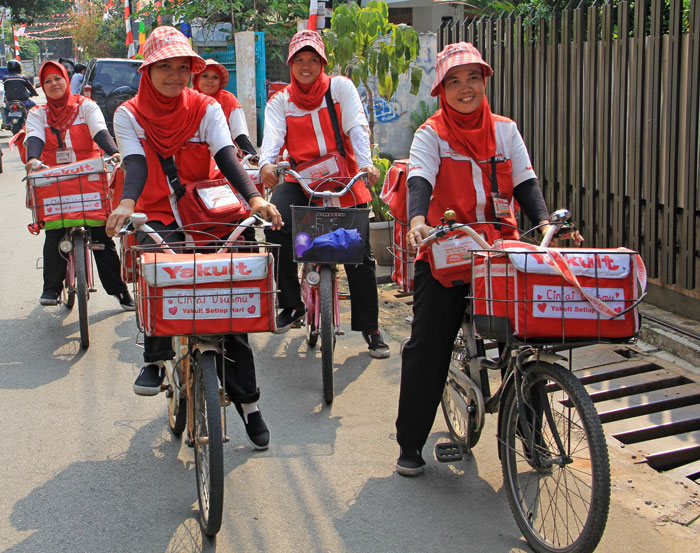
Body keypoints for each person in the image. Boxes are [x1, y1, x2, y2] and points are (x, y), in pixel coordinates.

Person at [394, 42, 582, 476]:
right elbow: (419, 179)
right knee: (429, 345)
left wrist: (548, 225)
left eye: (473, 78)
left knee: (529, 339)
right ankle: (410, 443)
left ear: (485, 81)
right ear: (442, 89)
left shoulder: (505, 130)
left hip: (501, 251)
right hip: (447, 248)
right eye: (455, 81)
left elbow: (526, 185)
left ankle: (532, 438)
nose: (465, 88)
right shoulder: (431, 133)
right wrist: (420, 221)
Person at [105, 26, 281, 449]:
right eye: (164, 67)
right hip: (158, 209)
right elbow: (135, 162)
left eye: (182, 67)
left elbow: (225, 155)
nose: (174, 75)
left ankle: (250, 405)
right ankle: (157, 355)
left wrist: (255, 199)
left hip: (207, 207)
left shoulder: (205, 107)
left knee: (230, 295)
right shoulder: (128, 113)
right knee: (159, 269)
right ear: (148, 71)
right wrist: (128, 204)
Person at [258, 29, 390, 359]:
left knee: (359, 253)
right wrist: (266, 165)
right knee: (275, 224)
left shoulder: (340, 88)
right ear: (291, 64)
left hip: (343, 174)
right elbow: (272, 139)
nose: (306, 66)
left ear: (322, 63)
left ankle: (371, 328)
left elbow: (357, 128)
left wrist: (366, 163)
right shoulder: (281, 101)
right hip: (301, 178)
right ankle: (291, 304)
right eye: (299, 60)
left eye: (312, 60)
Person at [24, 60, 134, 310]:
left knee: (101, 237)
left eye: (58, 78)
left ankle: (119, 291)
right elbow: (34, 138)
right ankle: (51, 288)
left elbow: (99, 131)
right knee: (54, 233)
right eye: (48, 81)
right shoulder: (38, 114)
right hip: (54, 179)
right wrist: (32, 159)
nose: (53, 84)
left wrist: (115, 152)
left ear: (67, 80)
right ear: (42, 85)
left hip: (89, 177)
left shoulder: (86, 106)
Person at [192, 59, 257, 157]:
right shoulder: (188, 99)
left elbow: (239, 132)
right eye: (205, 76)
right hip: (193, 156)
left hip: (224, 156)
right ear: (197, 78)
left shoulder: (228, 100)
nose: (210, 80)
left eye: (215, 77)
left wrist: (253, 156)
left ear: (220, 81)